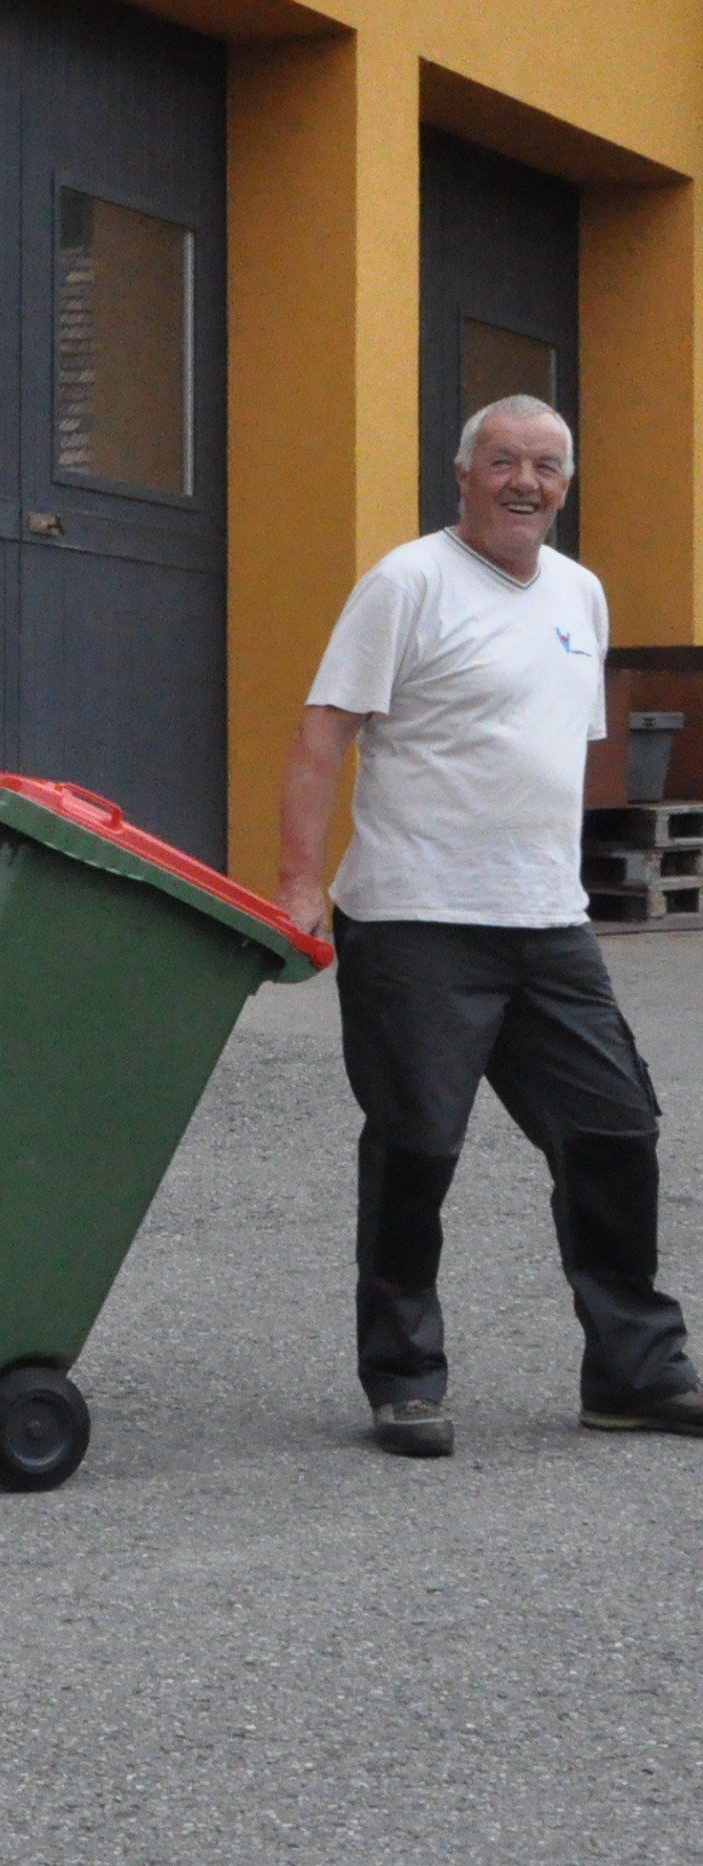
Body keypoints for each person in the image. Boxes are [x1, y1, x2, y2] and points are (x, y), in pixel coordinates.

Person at [278, 395, 703, 1457]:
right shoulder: (406, 580)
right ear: (461, 473)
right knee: (417, 1144)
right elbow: (323, 728)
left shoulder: (579, 592)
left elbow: (551, 743)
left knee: (615, 1130)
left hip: (547, 922)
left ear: (564, 482)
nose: (525, 479)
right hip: (416, 917)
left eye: (546, 464)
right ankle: (404, 1376)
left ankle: (632, 1372)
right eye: (503, 459)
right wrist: (294, 881)